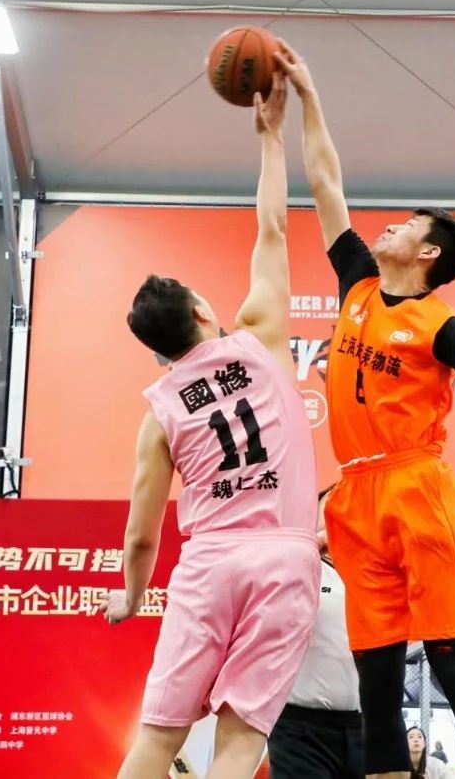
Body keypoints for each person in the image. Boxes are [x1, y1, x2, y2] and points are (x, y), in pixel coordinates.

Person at [278, 39, 455, 779]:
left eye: (408, 225)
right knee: (376, 682)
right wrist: (308, 96)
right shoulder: (356, 281)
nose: (389, 226)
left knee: (453, 660)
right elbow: (325, 180)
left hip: (417, 484)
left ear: (429, 254)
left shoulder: (441, 322)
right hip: (354, 493)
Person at [97, 74, 321, 779]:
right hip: (284, 561)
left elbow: (141, 533)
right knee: (242, 739)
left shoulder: (160, 410)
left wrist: (133, 596)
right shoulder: (261, 337)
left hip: (208, 564)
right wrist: (271, 138)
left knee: (158, 737)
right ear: (201, 313)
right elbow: (273, 228)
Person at [267, 488, 364, 779]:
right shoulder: (295, 568)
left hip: (365, 726)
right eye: (331, 507)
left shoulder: (375, 577)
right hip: (300, 729)